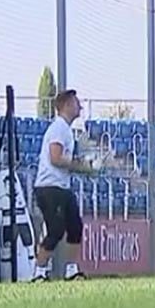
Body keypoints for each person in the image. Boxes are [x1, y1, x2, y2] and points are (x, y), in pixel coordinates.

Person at [31, 89, 96, 282]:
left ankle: (71, 270)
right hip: (50, 187)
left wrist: (83, 167)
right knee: (56, 230)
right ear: (67, 105)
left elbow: (63, 162)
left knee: (75, 227)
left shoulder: (66, 130)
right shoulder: (59, 128)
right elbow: (56, 158)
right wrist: (79, 163)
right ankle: (39, 273)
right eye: (76, 102)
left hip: (62, 187)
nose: (80, 106)